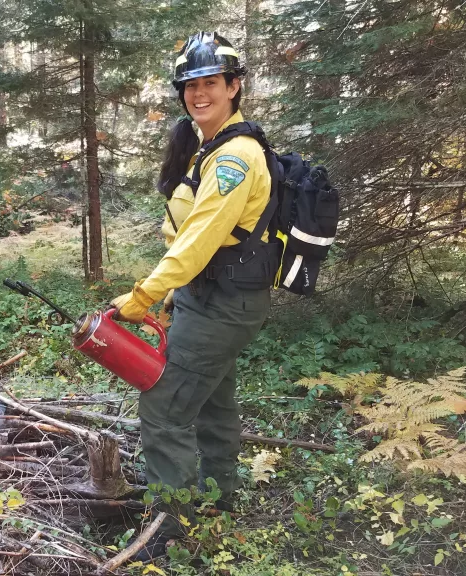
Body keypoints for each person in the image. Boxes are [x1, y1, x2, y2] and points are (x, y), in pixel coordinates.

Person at [111, 31, 274, 559]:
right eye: (190, 85)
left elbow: (199, 241)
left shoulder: (235, 158)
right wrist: (173, 296)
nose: (199, 94)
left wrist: (140, 297)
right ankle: (219, 495)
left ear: (234, 86)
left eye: (210, 83)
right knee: (212, 401)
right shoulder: (213, 146)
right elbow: (193, 241)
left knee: (165, 406)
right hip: (210, 300)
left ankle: (165, 530)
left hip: (222, 305)